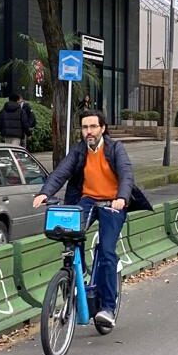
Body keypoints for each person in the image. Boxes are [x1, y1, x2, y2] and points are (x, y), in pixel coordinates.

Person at [32, 110, 152, 330]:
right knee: (70, 236)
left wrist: (122, 198)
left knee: (107, 251)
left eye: (93, 127)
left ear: (102, 128)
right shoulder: (79, 151)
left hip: (112, 203)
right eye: (85, 127)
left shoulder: (115, 149)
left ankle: (107, 307)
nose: (89, 132)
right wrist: (45, 192)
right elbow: (61, 172)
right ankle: (74, 274)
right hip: (87, 201)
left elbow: (126, 175)